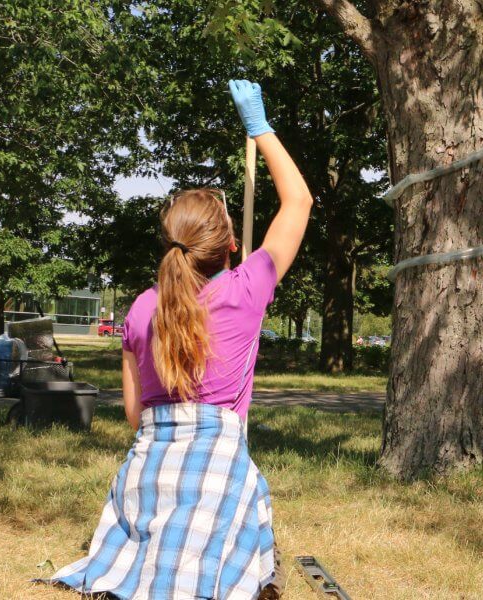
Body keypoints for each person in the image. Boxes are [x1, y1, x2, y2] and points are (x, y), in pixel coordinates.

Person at [44, 79, 312, 600]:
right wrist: (259, 129)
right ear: (232, 244)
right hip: (215, 475)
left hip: (144, 482)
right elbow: (297, 201)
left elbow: (132, 414)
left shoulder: (141, 307)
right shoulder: (246, 289)